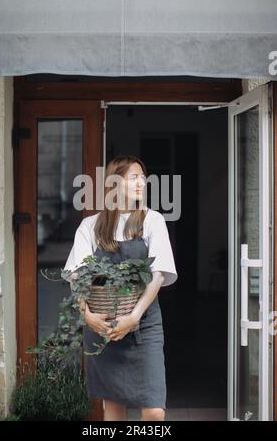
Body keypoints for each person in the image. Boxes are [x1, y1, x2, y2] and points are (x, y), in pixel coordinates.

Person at [62, 155, 178, 421]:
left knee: (154, 411)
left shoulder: (152, 220)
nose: (141, 183)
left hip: (144, 326)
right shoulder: (90, 225)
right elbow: (76, 276)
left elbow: (158, 274)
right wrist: (88, 316)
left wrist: (134, 317)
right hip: (103, 328)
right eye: (133, 177)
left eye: (142, 177)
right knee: (113, 407)